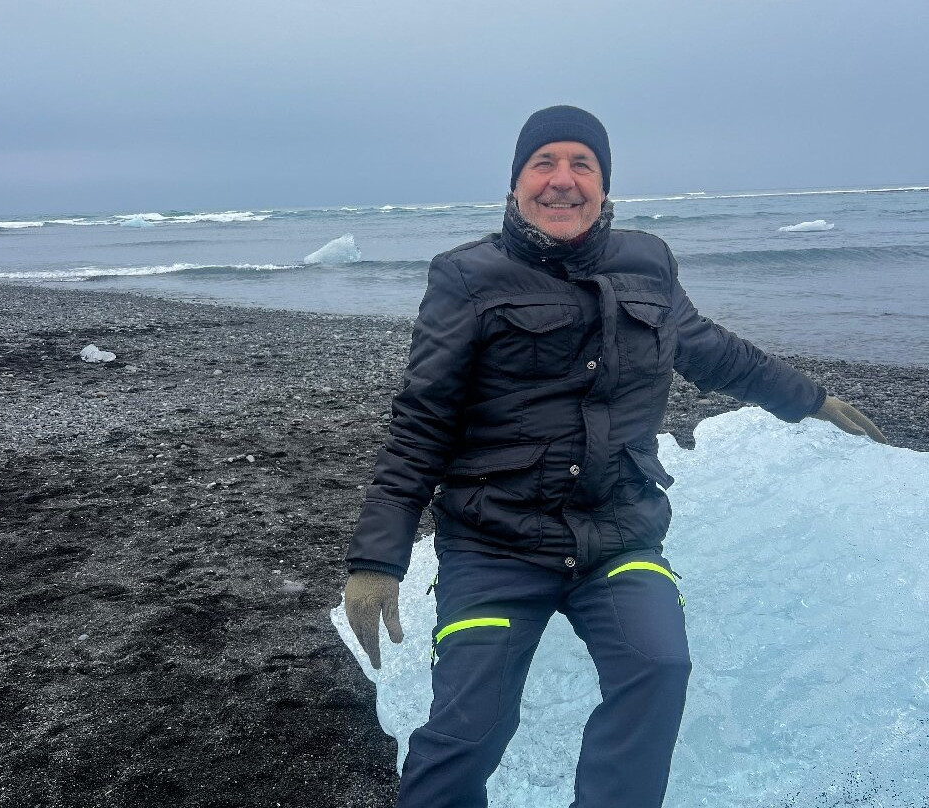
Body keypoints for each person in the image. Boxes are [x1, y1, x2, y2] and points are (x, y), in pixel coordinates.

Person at [344, 105, 885, 808]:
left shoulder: (647, 261)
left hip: (619, 533)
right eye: (543, 163)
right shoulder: (466, 276)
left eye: (582, 165)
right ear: (515, 183)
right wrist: (377, 561)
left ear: (604, 185)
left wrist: (808, 399)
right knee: (469, 730)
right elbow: (423, 420)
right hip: (494, 544)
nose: (562, 180)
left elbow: (709, 349)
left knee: (658, 667)